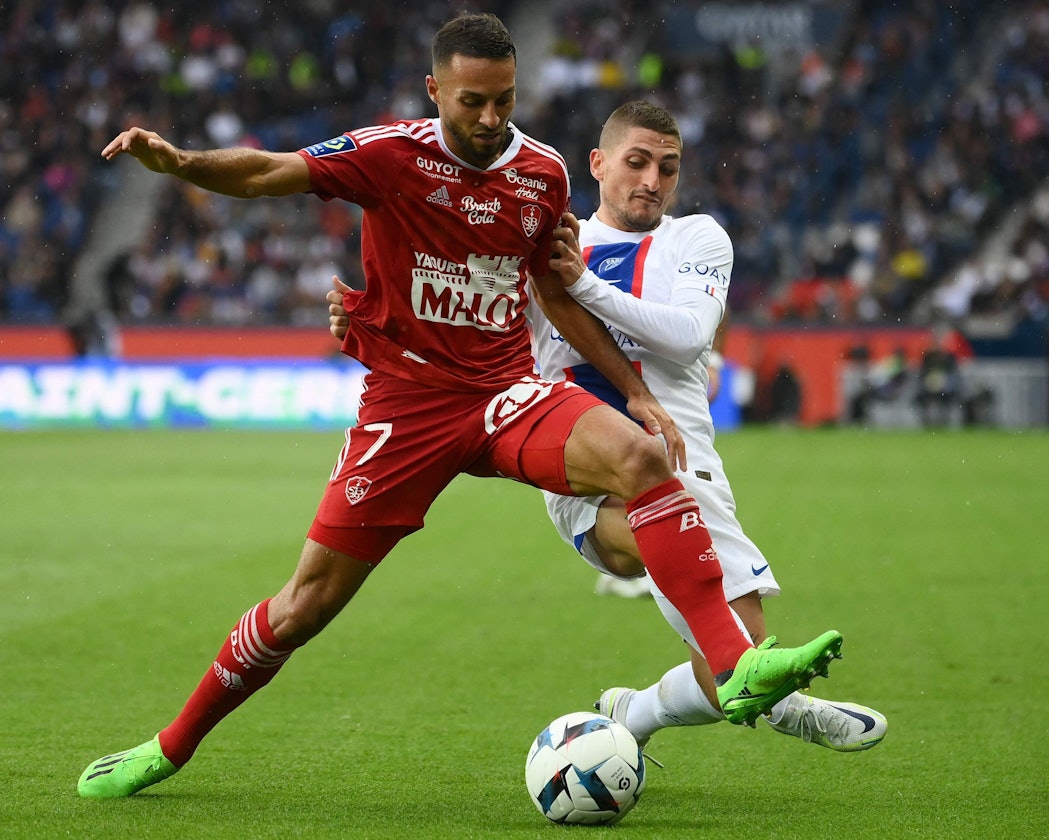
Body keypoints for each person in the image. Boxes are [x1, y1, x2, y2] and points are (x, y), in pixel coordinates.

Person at [78, 14, 842, 799]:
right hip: (405, 411)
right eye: (472, 102)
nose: (489, 120)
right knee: (306, 605)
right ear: (436, 90)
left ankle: (735, 663)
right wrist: (179, 163)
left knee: (643, 459)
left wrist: (638, 389)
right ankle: (171, 746)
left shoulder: (541, 174)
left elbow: (555, 289)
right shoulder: (390, 154)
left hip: (503, 393)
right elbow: (267, 172)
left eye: (504, 101)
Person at [330, 101, 885, 752]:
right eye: (638, 162)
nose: (652, 180)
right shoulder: (548, 246)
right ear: (598, 164)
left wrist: (580, 286)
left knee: (725, 661)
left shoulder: (697, 239)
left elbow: (686, 339)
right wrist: (369, 328)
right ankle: (785, 705)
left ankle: (638, 711)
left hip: (686, 465)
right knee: (735, 645)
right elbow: (463, 324)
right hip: (583, 472)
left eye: (668, 168)